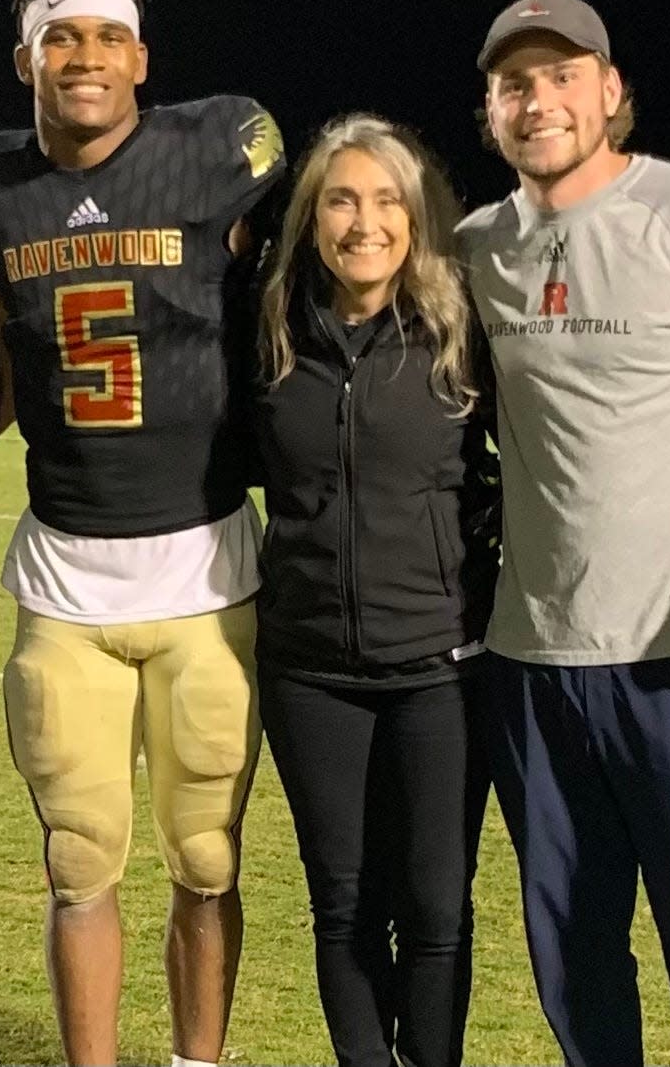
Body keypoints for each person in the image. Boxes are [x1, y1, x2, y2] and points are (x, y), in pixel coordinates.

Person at [0, 0, 285, 1067]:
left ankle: (195, 1061)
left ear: (140, 56)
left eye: (103, 36)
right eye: (58, 37)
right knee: (78, 857)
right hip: (67, 580)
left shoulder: (222, 146)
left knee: (205, 857)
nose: (82, 57)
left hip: (210, 571)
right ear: (25, 59)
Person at [457, 0, 670, 1066]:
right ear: (489, 111)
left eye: (559, 77)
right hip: (527, 657)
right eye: (513, 84)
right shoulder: (472, 247)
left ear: (608, 91)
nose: (536, 101)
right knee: (573, 951)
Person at [250, 114, 498, 1067]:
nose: (365, 221)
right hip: (310, 668)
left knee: (436, 904)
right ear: (312, 216)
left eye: (387, 200)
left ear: (415, 216)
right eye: (342, 199)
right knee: (344, 900)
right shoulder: (268, 326)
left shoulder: (456, 323)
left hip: (440, 663)